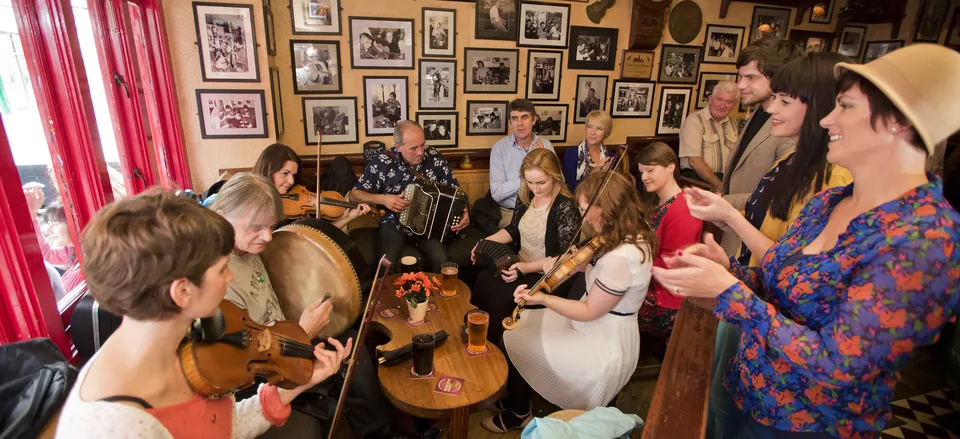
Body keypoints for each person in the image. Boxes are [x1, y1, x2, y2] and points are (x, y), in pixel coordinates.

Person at [653, 43, 960, 438]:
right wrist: (727, 269)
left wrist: (730, 291)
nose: (828, 118)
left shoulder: (926, 242)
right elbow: (780, 280)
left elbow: (839, 365)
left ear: (898, 121)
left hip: (805, 424)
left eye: (845, 106)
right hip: (748, 392)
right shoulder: (830, 201)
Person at [56, 190, 351, 438]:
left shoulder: (187, 339)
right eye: (222, 269)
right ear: (182, 292)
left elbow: (224, 426)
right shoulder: (114, 427)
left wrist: (302, 381)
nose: (230, 277)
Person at [700, 52, 855, 438]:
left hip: (782, 358)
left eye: (785, 101)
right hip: (755, 303)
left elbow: (797, 281)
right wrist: (731, 265)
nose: (772, 109)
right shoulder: (791, 162)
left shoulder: (833, 180)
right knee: (722, 404)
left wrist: (731, 282)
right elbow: (781, 259)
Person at [212, 174, 435, 439]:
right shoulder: (214, 276)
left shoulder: (247, 246)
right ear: (222, 215)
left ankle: (388, 428)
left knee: (351, 338)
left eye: (271, 226)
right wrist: (302, 333)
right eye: (256, 227)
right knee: (348, 351)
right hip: (263, 370)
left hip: (286, 335)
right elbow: (240, 362)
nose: (268, 237)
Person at [481, 171, 655, 432]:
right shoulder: (621, 235)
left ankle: (519, 412)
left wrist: (542, 298)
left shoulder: (622, 256)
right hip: (594, 324)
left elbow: (588, 310)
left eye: (587, 210)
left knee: (519, 336)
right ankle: (517, 401)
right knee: (518, 326)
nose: (583, 218)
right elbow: (586, 266)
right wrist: (563, 265)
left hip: (601, 342)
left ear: (605, 207)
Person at [470, 148, 580, 346]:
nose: (535, 189)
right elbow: (513, 230)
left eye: (541, 182)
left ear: (555, 176)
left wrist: (525, 268)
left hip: (545, 276)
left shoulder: (565, 207)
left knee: (501, 296)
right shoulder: (525, 197)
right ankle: (477, 336)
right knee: (483, 279)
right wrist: (484, 242)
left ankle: (497, 348)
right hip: (520, 264)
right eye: (530, 182)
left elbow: (565, 258)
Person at [351, 121, 470, 272]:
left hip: (429, 225)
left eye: (422, 145)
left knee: (441, 261)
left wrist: (465, 212)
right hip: (394, 223)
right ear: (398, 146)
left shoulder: (434, 157)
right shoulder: (382, 162)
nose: (420, 152)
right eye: (413, 148)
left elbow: (456, 193)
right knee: (385, 265)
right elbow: (354, 195)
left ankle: (439, 295)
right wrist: (384, 199)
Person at [720, 37, 801, 255]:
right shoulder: (759, 111)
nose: (741, 86)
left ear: (780, 78)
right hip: (737, 231)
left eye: (751, 78)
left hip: (762, 243)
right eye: (741, 77)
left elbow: (782, 193)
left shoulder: (789, 126)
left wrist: (724, 202)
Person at [634, 143, 703, 339]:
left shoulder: (682, 210)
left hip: (666, 299)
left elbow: (671, 264)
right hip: (653, 284)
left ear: (671, 167)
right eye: (641, 172)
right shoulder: (657, 202)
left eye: (650, 170)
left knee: (610, 304)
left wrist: (629, 265)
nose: (644, 177)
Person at [490, 99, 556, 228]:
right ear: (510, 123)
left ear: (534, 120)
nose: (519, 123)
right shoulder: (499, 149)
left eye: (524, 117)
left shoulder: (546, 145)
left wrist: (542, 161)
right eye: (515, 118)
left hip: (543, 209)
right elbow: (497, 193)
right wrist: (528, 177)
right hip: (511, 212)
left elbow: (559, 183)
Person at [679, 81, 741, 190]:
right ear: (711, 99)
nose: (723, 105)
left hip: (727, 179)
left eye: (729, 102)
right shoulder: (694, 121)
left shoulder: (734, 123)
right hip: (698, 181)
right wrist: (720, 186)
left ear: (735, 104)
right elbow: (694, 162)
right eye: (719, 99)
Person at [561, 110, 630, 191]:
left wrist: (609, 175)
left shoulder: (611, 158)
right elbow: (569, 188)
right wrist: (594, 173)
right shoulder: (571, 153)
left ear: (606, 133)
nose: (592, 132)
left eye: (599, 129)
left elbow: (614, 190)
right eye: (589, 126)